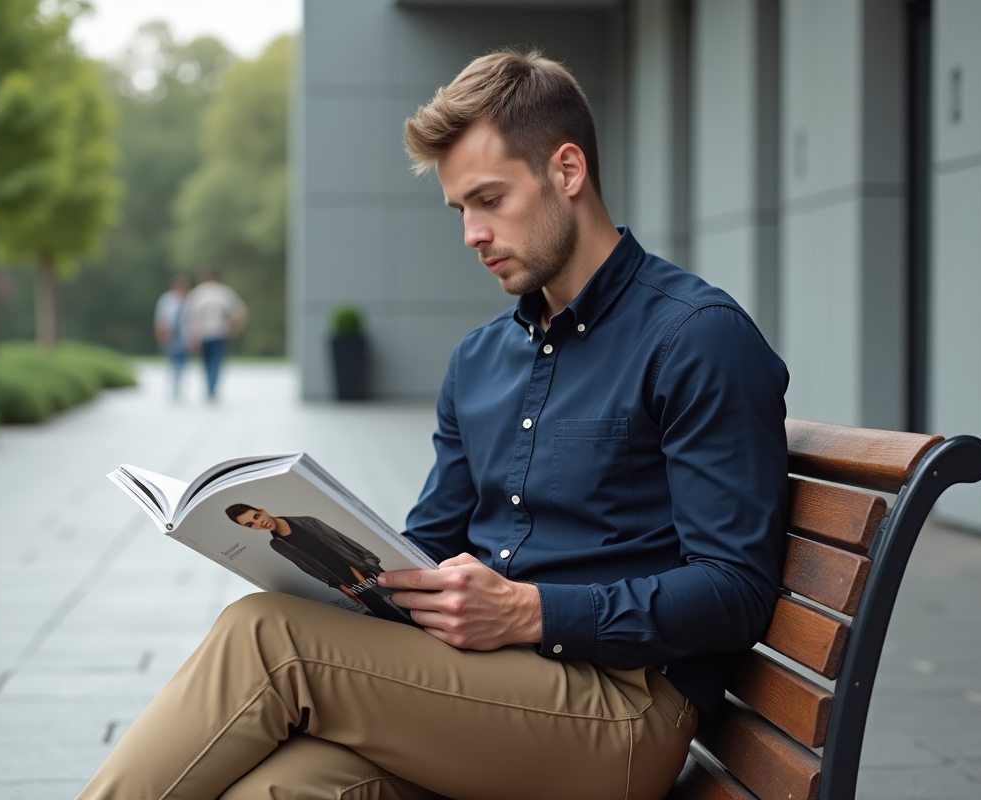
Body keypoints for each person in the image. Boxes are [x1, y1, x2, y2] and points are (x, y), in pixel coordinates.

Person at [77, 49, 788, 800]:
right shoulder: (479, 361)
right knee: (270, 790)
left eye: (490, 200)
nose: (472, 234)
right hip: (481, 690)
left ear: (568, 170)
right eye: (460, 210)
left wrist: (529, 610)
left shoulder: (696, 338)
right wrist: (343, 576)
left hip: (622, 712)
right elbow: (431, 543)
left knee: (265, 636)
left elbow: (735, 589)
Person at [225, 504, 413, 624]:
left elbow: (346, 542)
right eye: (251, 525)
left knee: (403, 602)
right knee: (385, 613)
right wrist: (338, 586)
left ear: (262, 511)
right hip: (344, 581)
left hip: (364, 570)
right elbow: (308, 567)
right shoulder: (278, 544)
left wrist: (367, 563)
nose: (259, 523)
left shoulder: (308, 522)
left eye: (256, 517)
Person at [183, 269, 248, 401]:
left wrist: (191, 336)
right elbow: (241, 312)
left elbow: (189, 317)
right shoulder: (224, 292)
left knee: (206, 362)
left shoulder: (196, 293)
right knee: (216, 362)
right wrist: (234, 329)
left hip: (203, 333)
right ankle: (212, 387)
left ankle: (210, 386)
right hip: (220, 332)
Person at [154, 275, 190, 399]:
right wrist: (160, 336)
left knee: (182, 361)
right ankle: (175, 383)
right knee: (173, 359)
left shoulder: (189, 299)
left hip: (184, 337)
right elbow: (161, 319)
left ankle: (178, 383)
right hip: (170, 335)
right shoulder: (166, 300)